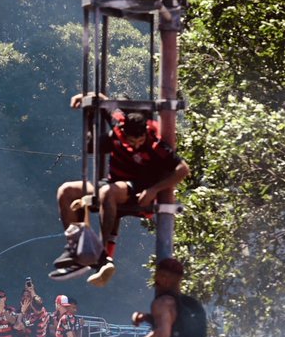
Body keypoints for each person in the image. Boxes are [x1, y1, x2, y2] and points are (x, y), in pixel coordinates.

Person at [53, 105, 191, 286]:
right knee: (66, 190)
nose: (136, 145)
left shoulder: (154, 144)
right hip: (112, 183)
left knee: (107, 192)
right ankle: (78, 247)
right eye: (132, 141)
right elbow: (101, 114)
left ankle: (100, 253)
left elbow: (183, 169)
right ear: (124, 134)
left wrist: (154, 190)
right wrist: (88, 112)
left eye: (140, 141)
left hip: (138, 189)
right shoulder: (117, 130)